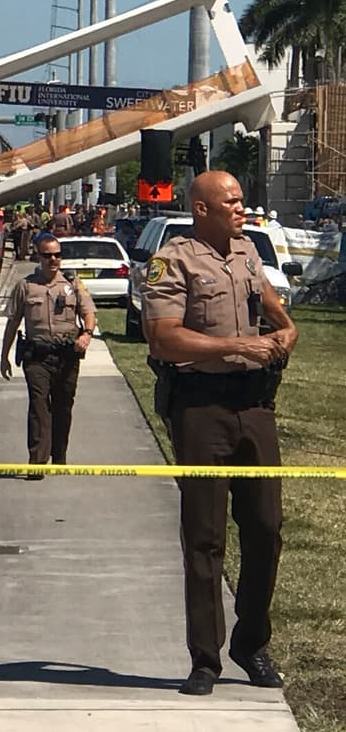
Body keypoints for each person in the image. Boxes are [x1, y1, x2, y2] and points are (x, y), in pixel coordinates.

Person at [142, 170, 297, 697]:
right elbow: (164, 338)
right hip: (201, 407)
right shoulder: (173, 259)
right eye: (230, 201)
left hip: (254, 405)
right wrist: (235, 347)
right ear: (201, 208)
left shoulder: (248, 252)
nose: (240, 207)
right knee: (205, 538)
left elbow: (275, 310)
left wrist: (285, 332)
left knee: (266, 529)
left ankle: (250, 644)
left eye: (240, 199)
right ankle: (205, 659)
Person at [0, 232, 96, 478]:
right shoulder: (25, 286)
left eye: (57, 255)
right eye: (48, 255)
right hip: (37, 356)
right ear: (38, 256)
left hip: (67, 355)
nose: (53, 260)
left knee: (63, 406)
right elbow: (13, 322)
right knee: (39, 405)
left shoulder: (73, 285)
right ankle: (37, 462)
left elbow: (89, 313)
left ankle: (59, 456)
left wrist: (86, 334)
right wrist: (4, 355)